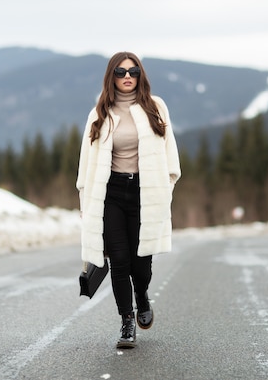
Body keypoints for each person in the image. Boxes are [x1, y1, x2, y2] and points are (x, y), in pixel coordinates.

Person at [76, 51, 181, 349]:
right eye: (120, 73)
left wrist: (166, 191)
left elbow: (170, 157)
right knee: (119, 261)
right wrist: (86, 202)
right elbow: (86, 163)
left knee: (141, 263)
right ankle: (126, 321)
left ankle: (142, 294)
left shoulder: (155, 107)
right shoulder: (100, 112)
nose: (127, 77)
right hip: (111, 194)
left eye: (132, 72)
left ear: (140, 75)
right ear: (111, 76)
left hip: (146, 193)